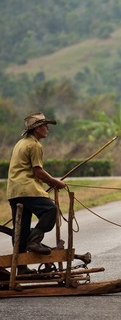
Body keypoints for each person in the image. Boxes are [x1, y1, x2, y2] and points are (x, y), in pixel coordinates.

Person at [7, 112, 66, 275]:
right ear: (37, 129)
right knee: (50, 210)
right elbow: (38, 171)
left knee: (21, 228)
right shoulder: (34, 145)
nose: (47, 128)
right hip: (26, 188)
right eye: (44, 126)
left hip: (14, 190)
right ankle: (34, 242)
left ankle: (21, 268)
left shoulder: (21, 143)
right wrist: (55, 182)